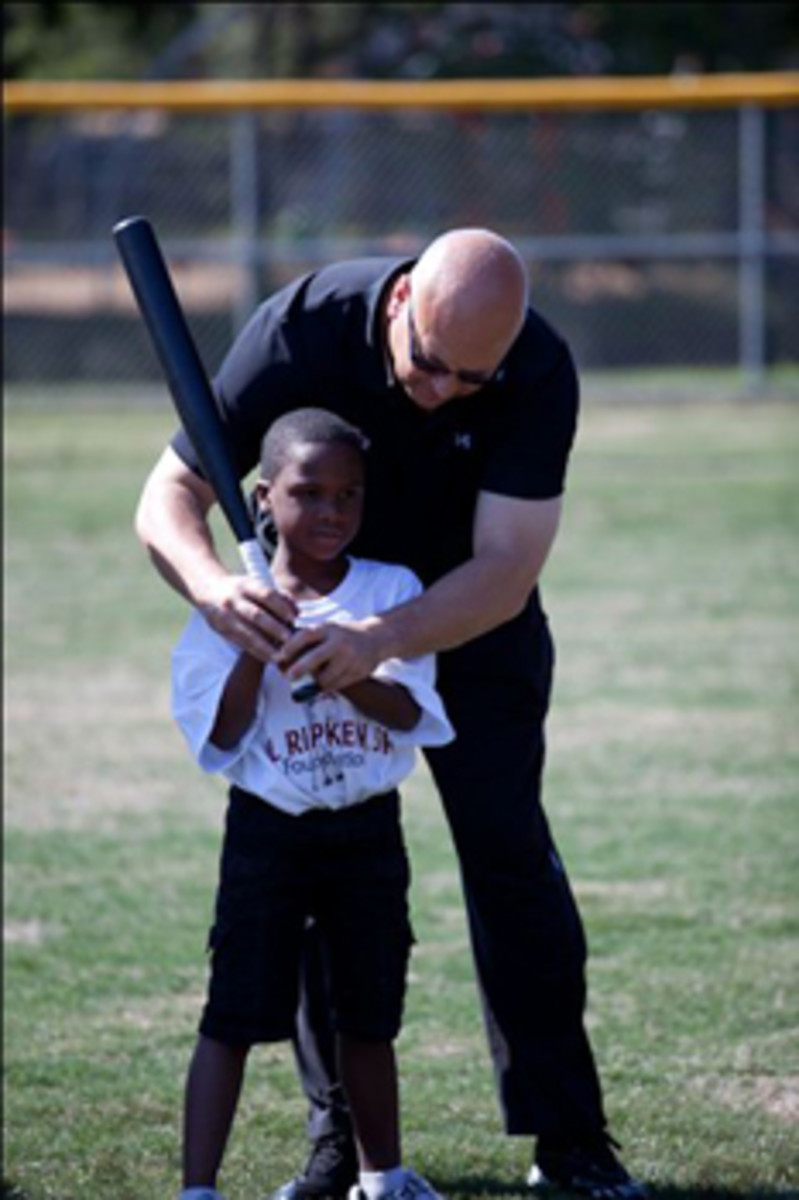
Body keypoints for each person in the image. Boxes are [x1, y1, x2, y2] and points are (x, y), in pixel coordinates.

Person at [136, 228, 648, 1199]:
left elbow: (506, 565)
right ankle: (340, 1141)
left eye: (471, 379)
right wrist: (211, 588)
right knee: (318, 856)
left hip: (468, 619)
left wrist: (381, 640)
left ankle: (569, 1138)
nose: (446, 390)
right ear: (400, 297)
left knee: (508, 853)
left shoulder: (534, 368)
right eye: (429, 365)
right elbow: (170, 492)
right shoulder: (298, 333)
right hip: (316, 619)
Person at [170, 408, 455, 1200]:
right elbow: (220, 740)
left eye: (349, 495)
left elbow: (407, 716)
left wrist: (347, 665)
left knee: (369, 1015)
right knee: (232, 1013)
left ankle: (381, 1176)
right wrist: (250, 650)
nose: (331, 512)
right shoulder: (227, 604)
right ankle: (198, 1187)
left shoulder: (390, 591)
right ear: (264, 498)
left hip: (367, 832)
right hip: (268, 834)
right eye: (308, 493)